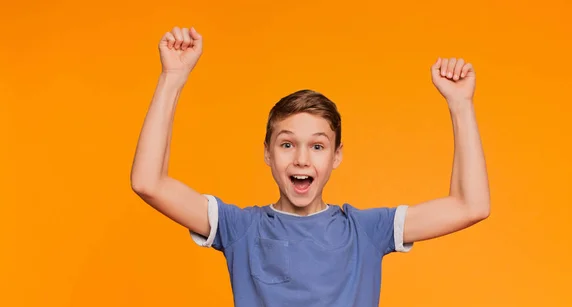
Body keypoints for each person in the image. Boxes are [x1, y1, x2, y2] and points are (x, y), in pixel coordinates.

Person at [130, 26, 491, 307]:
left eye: (317, 146)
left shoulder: (365, 231)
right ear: (268, 154)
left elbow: (470, 206)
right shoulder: (240, 228)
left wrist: (460, 105)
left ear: (336, 156)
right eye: (287, 144)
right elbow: (149, 182)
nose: (302, 158)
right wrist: (172, 78)